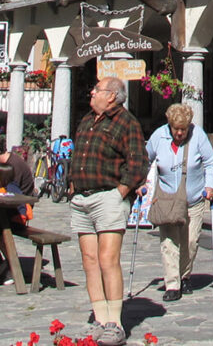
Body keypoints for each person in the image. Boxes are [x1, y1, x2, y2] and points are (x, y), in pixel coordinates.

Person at [68, 77, 147, 346]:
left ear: (111, 96)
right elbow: (79, 153)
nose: (92, 91)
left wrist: (121, 191)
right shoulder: (88, 119)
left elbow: (137, 162)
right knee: (89, 260)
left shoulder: (126, 122)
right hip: (82, 198)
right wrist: (72, 184)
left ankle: (115, 323)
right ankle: (99, 320)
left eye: (97, 89)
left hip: (108, 197)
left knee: (107, 259)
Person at [139, 103, 213, 302]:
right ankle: (172, 284)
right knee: (169, 242)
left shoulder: (198, 136)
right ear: (169, 125)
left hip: (194, 197)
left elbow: (210, 162)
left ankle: (184, 275)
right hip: (167, 199)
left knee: (190, 241)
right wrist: (141, 183)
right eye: (176, 129)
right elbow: (144, 159)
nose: (180, 133)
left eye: (183, 129)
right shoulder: (159, 137)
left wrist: (209, 186)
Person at [0, 164, 33, 285]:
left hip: (17, 220)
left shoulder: (11, 187)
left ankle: (11, 266)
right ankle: (3, 263)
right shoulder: (5, 186)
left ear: (3, 177)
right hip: (7, 219)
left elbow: (17, 203)